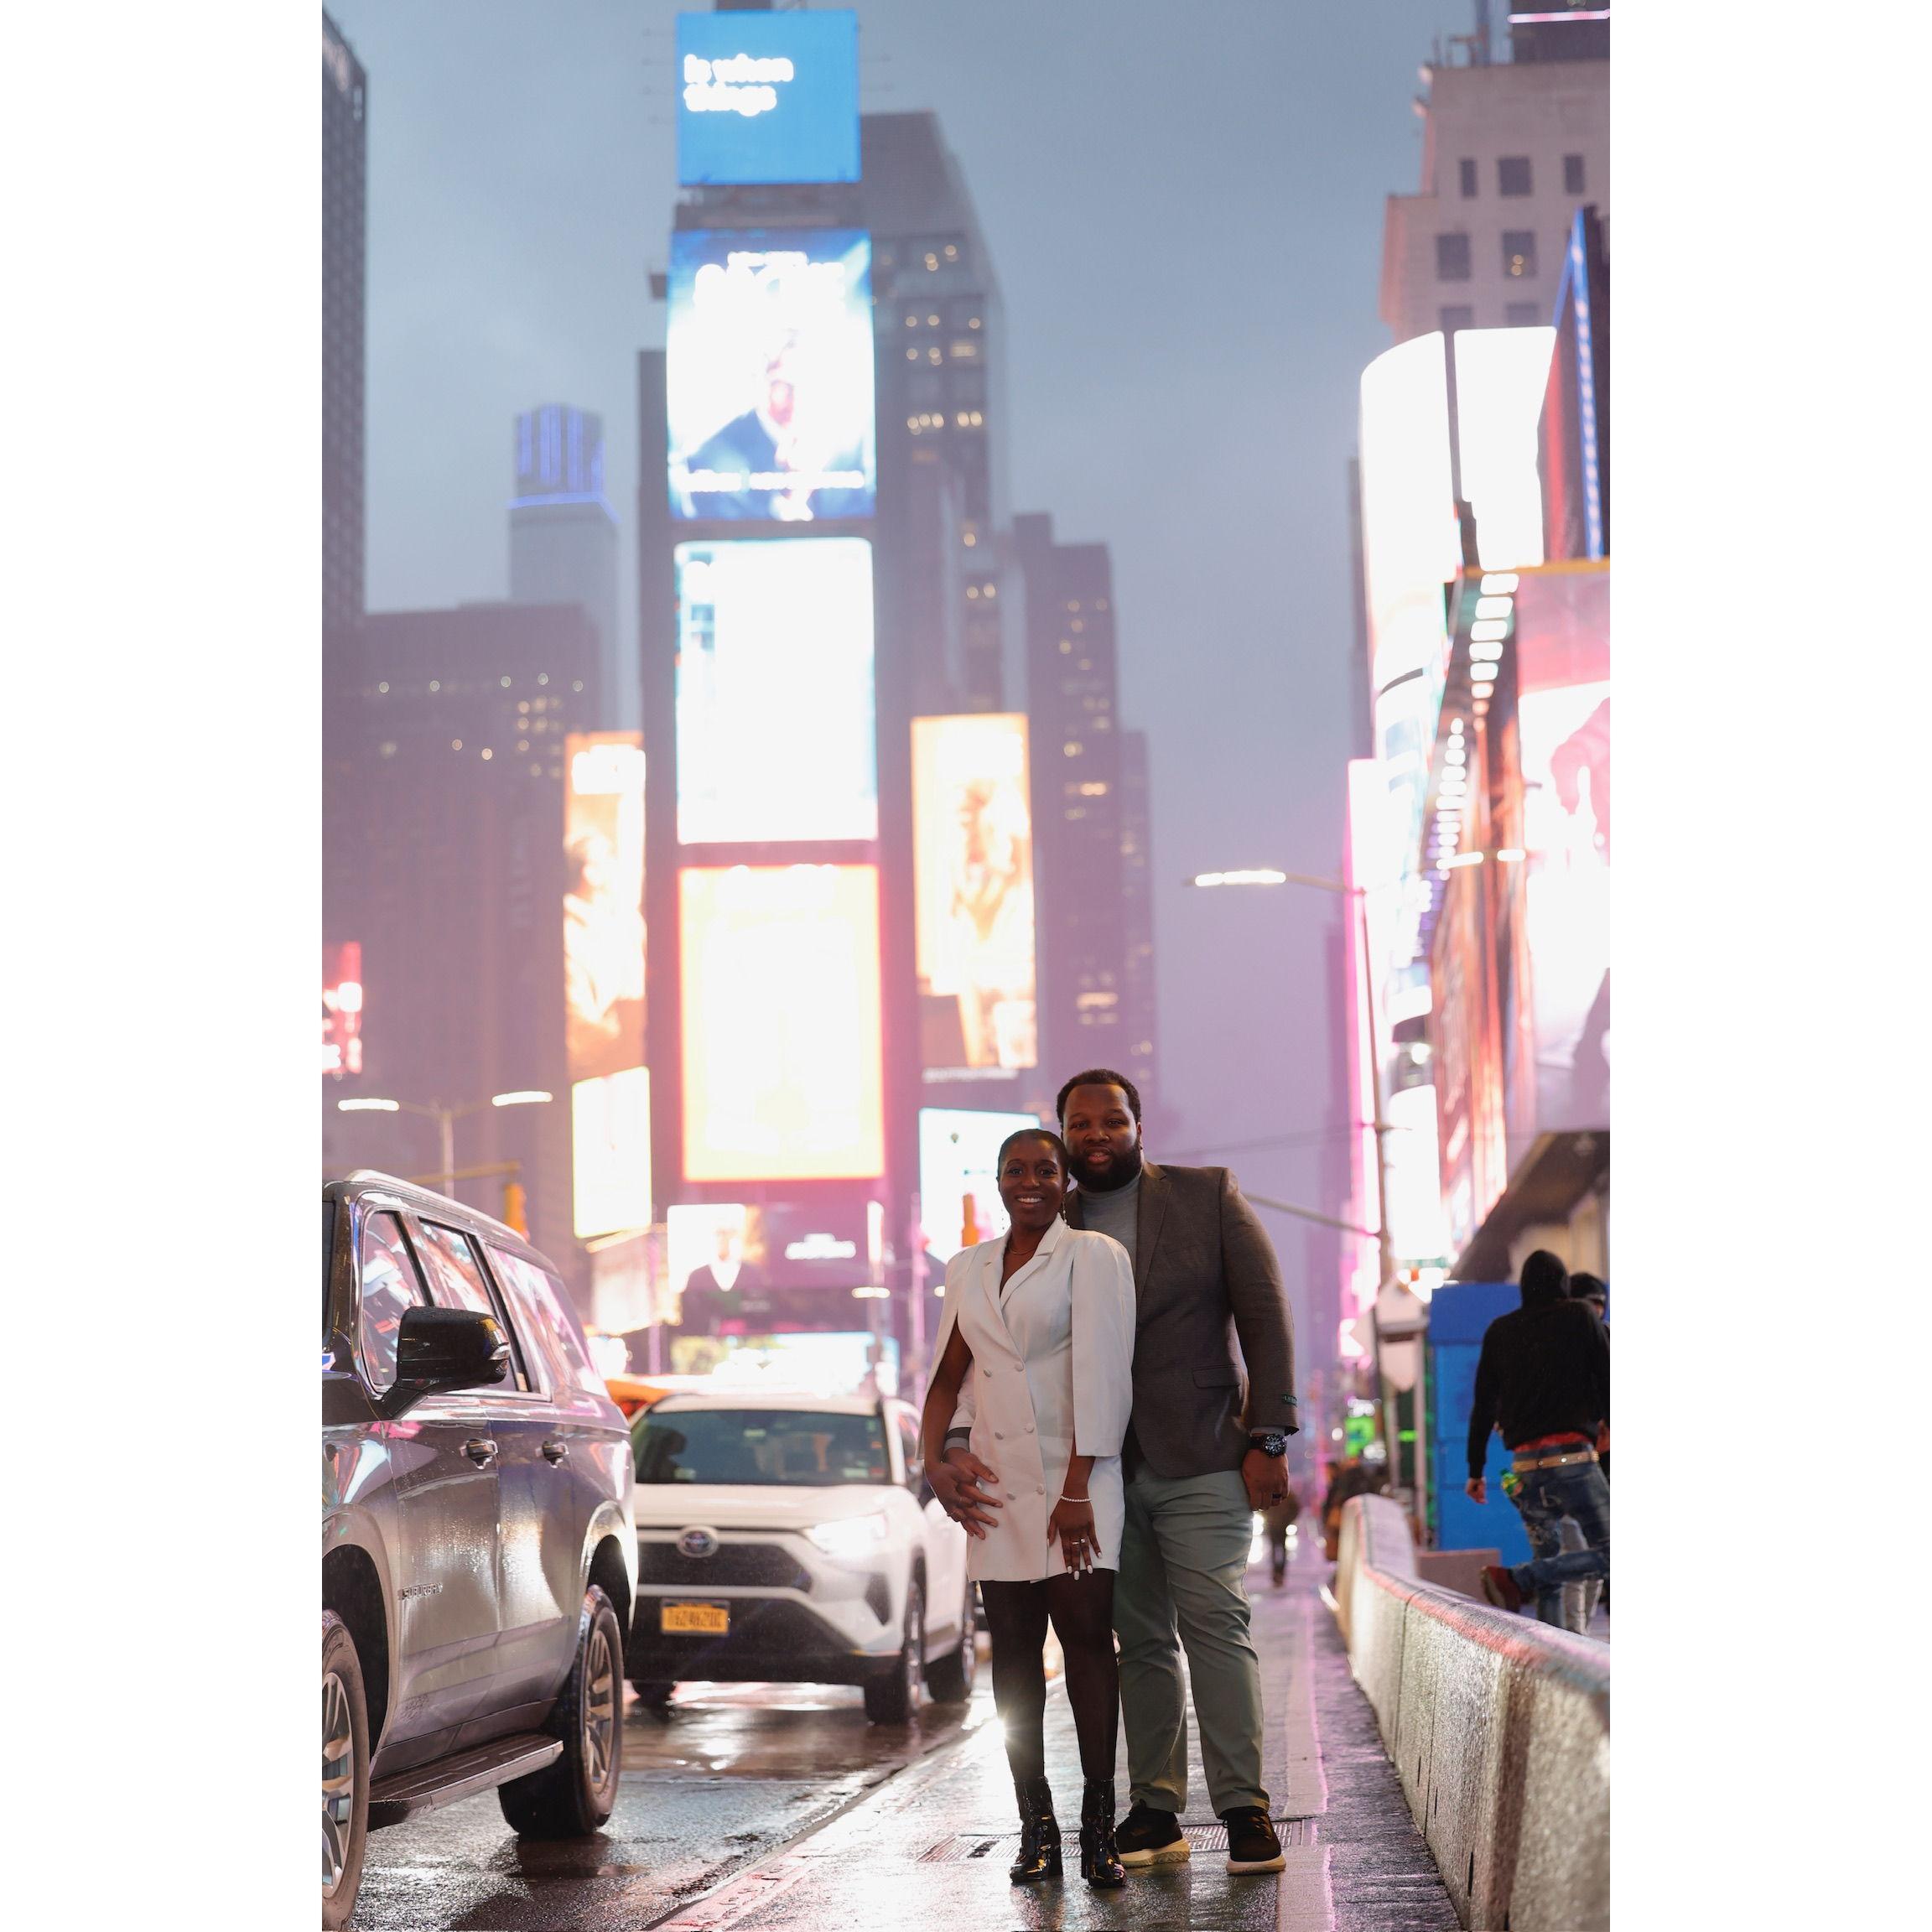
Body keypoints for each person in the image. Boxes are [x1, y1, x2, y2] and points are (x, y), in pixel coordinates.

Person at [941, 1069, 1299, 1878]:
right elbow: (979, 1353)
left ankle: (1245, 1808)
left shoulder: (1206, 1197)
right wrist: (961, 1438)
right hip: (1091, 1470)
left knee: (1214, 1621)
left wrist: (1269, 1435)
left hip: (1200, 1447)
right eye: (1081, 1123)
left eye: (1112, 1120)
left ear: (1139, 1127)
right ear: (1063, 1137)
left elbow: (1265, 1312)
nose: (1096, 1134)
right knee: (1135, 1639)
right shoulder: (1043, 1214)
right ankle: (1156, 1809)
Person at [920, 1128, 1136, 1890]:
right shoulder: (968, 1267)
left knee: (1085, 1645)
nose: (1031, 1182)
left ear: (1065, 1178)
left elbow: (1105, 1377)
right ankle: (1035, 1827)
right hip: (998, 1485)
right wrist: (936, 1464)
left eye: (1046, 1169)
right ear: (1000, 1180)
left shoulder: (1095, 1257)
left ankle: (1098, 1832)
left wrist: (1077, 1488)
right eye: (1016, 1171)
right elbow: (949, 1375)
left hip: (1079, 1479)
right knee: (1011, 1657)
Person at [1465, 1249, 1610, 1627]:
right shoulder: (1579, 1316)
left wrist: (1475, 1470)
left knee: (1550, 1569)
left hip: (1524, 1471)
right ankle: (1518, 1578)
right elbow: (1607, 1373)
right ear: (1564, 1284)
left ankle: (1546, 1658)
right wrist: (1609, 1423)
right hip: (1573, 1462)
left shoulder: (1500, 1330)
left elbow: (1483, 1406)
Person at [1259, 1484, 1301, 1587]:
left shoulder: (1286, 1494)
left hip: (1280, 1525)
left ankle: (1278, 1572)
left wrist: (1288, 1520)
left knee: (1278, 1549)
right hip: (1277, 1525)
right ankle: (1278, 1572)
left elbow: (1295, 1509)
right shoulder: (1287, 1494)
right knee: (1278, 1549)